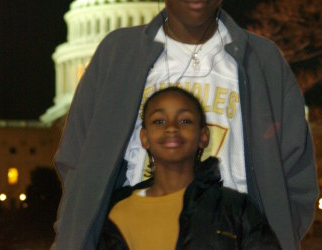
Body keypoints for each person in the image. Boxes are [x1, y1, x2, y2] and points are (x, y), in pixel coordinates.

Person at [52, 0, 318, 250]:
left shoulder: (262, 61)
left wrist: (274, 234)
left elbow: (297, 169)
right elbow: (76, 159)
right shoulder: (117, 54)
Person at [97, 86, 282, 249]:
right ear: (144, 137)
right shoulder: (117, 212)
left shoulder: (236, 210)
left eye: (185, 121)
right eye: (159, 121)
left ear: (203, 136)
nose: (171, 128)